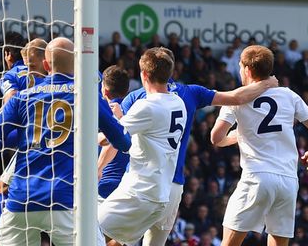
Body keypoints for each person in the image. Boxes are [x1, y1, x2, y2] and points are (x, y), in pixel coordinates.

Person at [0, 37, 131, 246]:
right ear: (78, 65)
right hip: (66, 201)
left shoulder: (22, 97)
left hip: (21, 200)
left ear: (45, 65)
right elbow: (122, 143)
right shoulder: (87, 96)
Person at [101, 47, 278, 246]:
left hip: (143, 185)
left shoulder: (137, 98)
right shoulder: (187, 94)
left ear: (144, 74)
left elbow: (114, 138)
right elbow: (236, 97)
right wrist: (266, 83)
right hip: (173, 187)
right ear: (171, 70)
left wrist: (99, 167)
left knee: (97, 233)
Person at [210, 45, 308, 246]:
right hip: (288, 181)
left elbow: (216, 137)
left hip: (257, 177)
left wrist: (237, 136)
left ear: (246, 70)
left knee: (229, 242)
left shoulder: (237, 98)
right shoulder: (289, 95)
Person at [98, 48, 187, 246]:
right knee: (116, 241)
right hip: (161, 196)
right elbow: (150, 135)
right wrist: (122, 120)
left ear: (144, 74)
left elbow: (110, 138)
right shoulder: (178, 103)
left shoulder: (146, 106)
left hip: (139, 192)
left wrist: (82, 136)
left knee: (87, 231)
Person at [0, 38, 47, 228]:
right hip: (56, 139)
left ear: (7, 55)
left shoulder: (10, 75)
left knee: (1, 187)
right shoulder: (55, 76)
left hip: (31, 138)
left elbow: (9, 102)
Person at [97, 66, 132, 200]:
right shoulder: (133, 110)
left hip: (107, 185)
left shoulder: (109, 110)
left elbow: (112, 142)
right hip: (129, 183)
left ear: (104, 90)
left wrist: (98, 169)